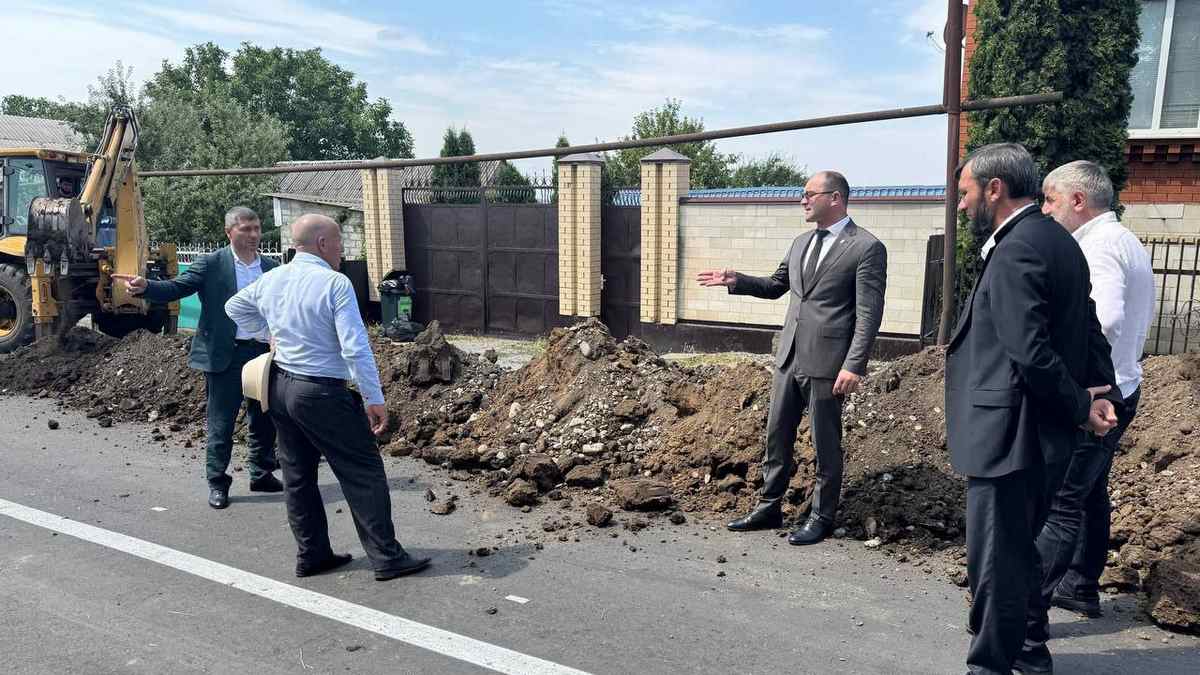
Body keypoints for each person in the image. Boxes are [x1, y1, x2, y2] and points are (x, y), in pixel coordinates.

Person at [947, 143, 1121, 675]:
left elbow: (1031, 350)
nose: (960, 205)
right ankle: (1028, 652)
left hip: (1010, 434)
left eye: (965, 193)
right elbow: (1087, 327)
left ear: (994, 190)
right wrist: (1101, 389)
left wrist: (1080, 406)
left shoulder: (1019, 245)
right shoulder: (1059, 240)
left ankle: (992, 665)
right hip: (1037, 434)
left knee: (997, 561)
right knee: (1018, 552)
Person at [224, 214, 430, 580]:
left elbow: (233, 309)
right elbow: (355, 347)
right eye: (339, 243)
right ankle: (386, 557)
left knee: (298, 475)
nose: (342, 250)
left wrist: (267, 333)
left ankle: (312, 555)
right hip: (319, 391)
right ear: (322, 244)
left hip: (280, 388)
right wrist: (373, 397)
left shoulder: (272, 279)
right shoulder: (334, 283)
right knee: (362, 470)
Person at [697, 171, 887, 545]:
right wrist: (737, 280)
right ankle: (769, 506)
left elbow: (868, 314)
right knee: (777, 436)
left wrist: (854, 365)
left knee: (825, 443)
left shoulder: (866, 247)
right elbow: (776, 286)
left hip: (829, 362)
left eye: (809, 194)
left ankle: (822, 516)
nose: (803, 200)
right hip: (789, 356)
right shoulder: (801, 243)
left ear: (835, 198)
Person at [1024, 161, 1154, 643]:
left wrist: (1078, 387)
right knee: (1089, 491)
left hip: (1099, 392)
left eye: (1050, 199)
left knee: (1062, 500)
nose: (1045, 208)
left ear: (1078, 200)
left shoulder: (1097, 247)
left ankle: (1024, 607)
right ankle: (1080, 585)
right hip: (1123, 383)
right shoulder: (1125, 241)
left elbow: (1109, 318)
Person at [114, 206, 281, 509]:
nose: (254, 235)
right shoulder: (212, 264)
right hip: (225, 355)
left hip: (261, 353)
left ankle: (261, 473)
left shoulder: (270, 268)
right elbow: (177, 287)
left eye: (257, 229)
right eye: (246, 229)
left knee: (264, 418)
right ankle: (217, 481)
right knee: (222, 421)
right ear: (229, 231)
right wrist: (145, 287)